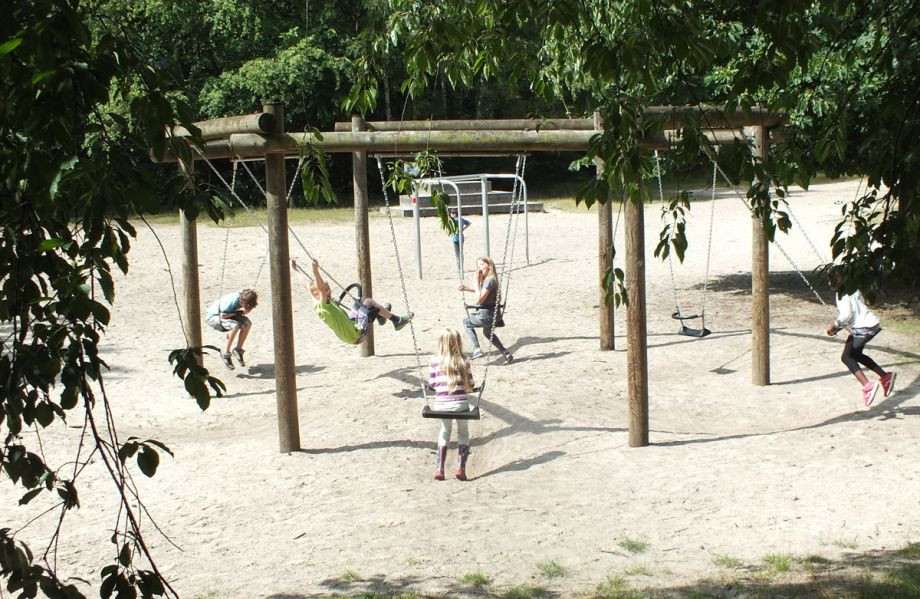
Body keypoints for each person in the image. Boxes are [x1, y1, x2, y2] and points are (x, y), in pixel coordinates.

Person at [292, 259, 413, 345]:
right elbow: (321, 289)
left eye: (329, 288)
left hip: (351, 326)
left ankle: (380, 315)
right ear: (317, 294)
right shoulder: (323, 305)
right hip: (356, 334)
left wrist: (294, 269)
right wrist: (315, 271)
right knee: (369, 302)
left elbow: (306, 284)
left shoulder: (315, 300)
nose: (328, 291)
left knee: (359, 304)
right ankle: (396, 320)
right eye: (325, 289)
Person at [826, 268, 896, 406]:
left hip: (863, 328)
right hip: (872, 324)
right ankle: (885, 377)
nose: (829, 283)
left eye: (830, 280)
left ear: (836, 281)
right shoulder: (854, 289)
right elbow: (856, 311)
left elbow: (846, 315)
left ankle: (867, 385)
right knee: (856, 354)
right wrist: (838, 327)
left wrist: (834, 325)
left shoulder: (841, 294)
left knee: (846, 357)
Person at [427, 329, 475, 481]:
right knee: (463, 432)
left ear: (440, 343)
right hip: (461, 405)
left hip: (442, 405)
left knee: (445, 431)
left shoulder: (434, 361)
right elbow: (471, 384)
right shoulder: (464, 360)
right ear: (458, 343)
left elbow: (432, 384)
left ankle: (439, 469)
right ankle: (461, 468)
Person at [460, 256, 513, 363]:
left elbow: (480, 300)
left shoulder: (490, 280)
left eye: (481, 264)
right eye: (477, 265)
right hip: (495, 316)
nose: (479, 268)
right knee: (487, 333)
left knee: (466, 322)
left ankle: (476, 349)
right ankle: (506, 353)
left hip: (486, 317)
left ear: (489, 266)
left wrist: (475, 281)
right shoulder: (491, 279)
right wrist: (467, 288)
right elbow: (482, 291)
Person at [204, 288, 258, 370]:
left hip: (229, 315)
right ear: (244, 303)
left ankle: (238, 350)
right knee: (235, 325)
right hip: (214, 317)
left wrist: (241, 311)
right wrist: (240, 312)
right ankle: (226, 354)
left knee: (247, 324)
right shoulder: (231, 302)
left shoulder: (245, 296)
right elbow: (222, 315)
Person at [448, 207, 471, 273]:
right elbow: (469, 223)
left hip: (456, 239)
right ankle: (461, 267)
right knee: (461, 253)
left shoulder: (454, 220)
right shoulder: (461, 219)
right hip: (461, 237)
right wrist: (463, 229)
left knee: (457, 254)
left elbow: (448, 222)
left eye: (451, 214)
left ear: (454, 214)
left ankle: (459, 267)